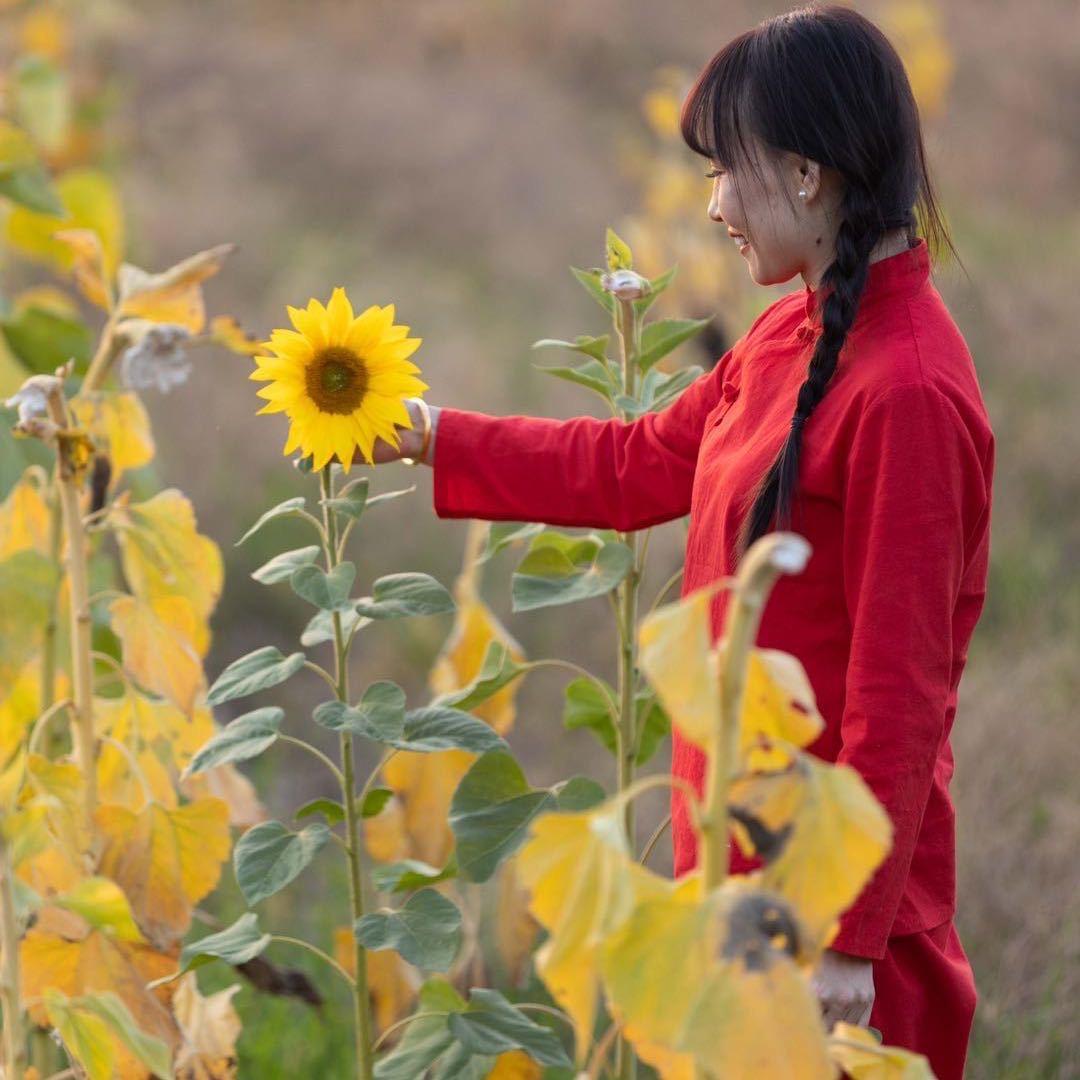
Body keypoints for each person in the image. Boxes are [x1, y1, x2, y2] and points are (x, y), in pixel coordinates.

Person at [363, 6, 994, 1076]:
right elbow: (636, 464)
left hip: (834, 927)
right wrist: (433, 437)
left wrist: (845, 938)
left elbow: (900, 695)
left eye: (725, 172)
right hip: (735, 874)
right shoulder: (793, 333)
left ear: (805, 174)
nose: (711, 207)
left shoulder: (910, 393)